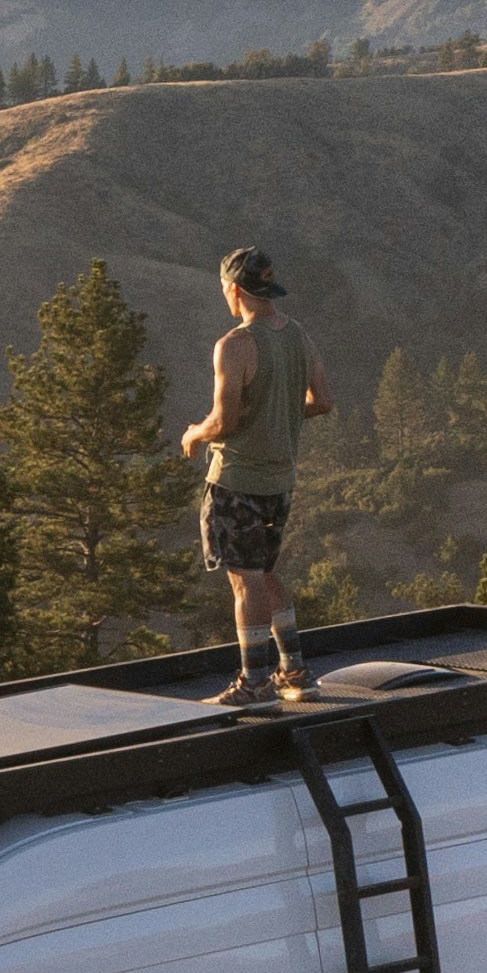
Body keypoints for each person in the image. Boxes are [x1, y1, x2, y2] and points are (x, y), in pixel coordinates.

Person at [167, 244, 331, 706]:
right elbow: (322, 400)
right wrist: (280, 414)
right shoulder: (298, 335)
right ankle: (295, 671)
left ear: (234, 289)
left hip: (237, 480)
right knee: (267, 571)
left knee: (245, 580)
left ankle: (254, 682)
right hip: (281, 480)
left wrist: (194, 434)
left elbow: (225, 420)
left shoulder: (235, 345)